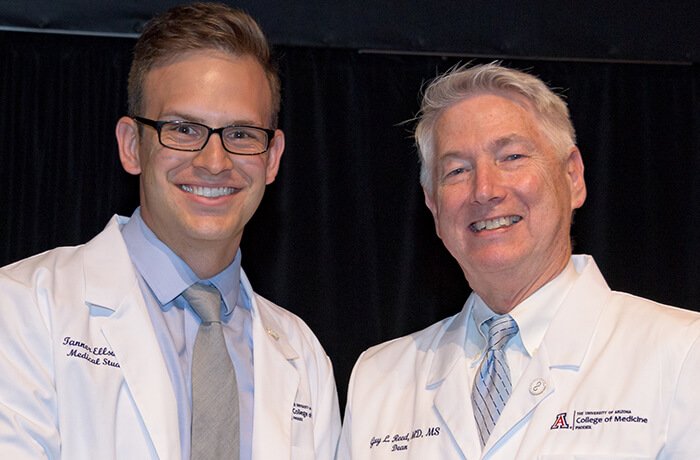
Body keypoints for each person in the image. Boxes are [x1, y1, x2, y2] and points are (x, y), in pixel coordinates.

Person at [0, 3, 340, 459]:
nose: (214, 162)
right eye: (182, 129)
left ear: (272, 156)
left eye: (240, 134)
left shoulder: (303, 357)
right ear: (131, 146)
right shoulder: (23, 308)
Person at [337, 62, 700, 459]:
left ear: (573, 176)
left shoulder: (682, 353)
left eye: (511, 156)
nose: (485, 190)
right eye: (457, 170)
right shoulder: (379, 379)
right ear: (433, 206)